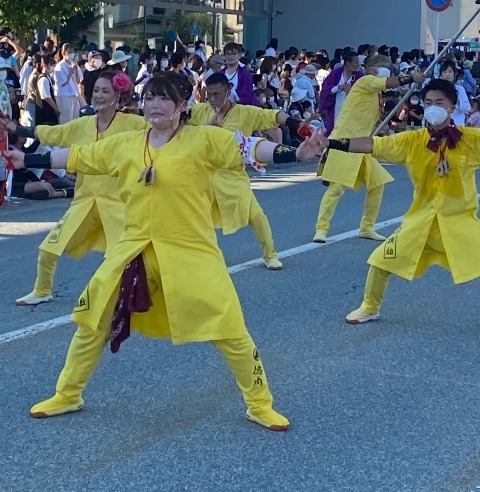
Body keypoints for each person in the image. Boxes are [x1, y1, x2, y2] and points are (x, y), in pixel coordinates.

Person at [4, 72, 324, 427]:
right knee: (92, 321)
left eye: (164, 98)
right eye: (150, 98)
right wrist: (26, 161)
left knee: (231, 329)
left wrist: (295, 153)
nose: (155, 105)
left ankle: (259, 403)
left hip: (191, 251)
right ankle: (68, 394)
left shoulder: (205, 140)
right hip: (131, 250)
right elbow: (80, 156)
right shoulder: (126, 143)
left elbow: (249, 147)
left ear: (182, 106)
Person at [328, 79, 480, 334]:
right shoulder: (412, 141)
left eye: (439, 102)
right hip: (420, 221)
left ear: (452, 107)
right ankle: (370, 306)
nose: (432, 107)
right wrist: (332, 143)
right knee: (380, 262)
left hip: (461, 222)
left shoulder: (470, 139)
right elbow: (374, 145)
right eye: (427, 103)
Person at [2, 69, 147, 306]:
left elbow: (158, 138)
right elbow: (53, 134)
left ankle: (127, 295)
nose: (98, 95)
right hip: (85, 200)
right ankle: (42, 290)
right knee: (49, 248)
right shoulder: (82, 125)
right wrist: (14, 127)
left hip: (118, 201)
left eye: (105, 91)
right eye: (96, 90)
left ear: (117, 96)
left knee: (121, 255)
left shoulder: (134, 124)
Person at [314, 55, 424, 244]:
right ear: (371, 68)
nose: (386, 70)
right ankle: (321, 229)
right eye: (382, 67)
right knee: (336, 189)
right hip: (343, 142)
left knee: (377, 183)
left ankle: (366, 227)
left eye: (387, 67)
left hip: (361, 145)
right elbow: (387, 82)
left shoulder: (374, 93)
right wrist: (411, 78)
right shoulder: (365, 81)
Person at [190, 72, 289, 269]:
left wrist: (293, 121)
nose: (212, 99)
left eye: (217, 94)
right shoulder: (200, 111)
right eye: (209, 94)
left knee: (256, 215)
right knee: (195, 218)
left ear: (228, 91)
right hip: (203, 174)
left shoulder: (245, 112)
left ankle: (270, 255)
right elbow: (180, 124)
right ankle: (203, 258)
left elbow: (270, 115)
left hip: (232, 174)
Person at [319, 50, 363, 133]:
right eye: (355, 62)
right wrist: (339, 87)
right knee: (334, 129)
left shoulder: (359, 75)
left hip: (352, 109)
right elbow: (326, 90)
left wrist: (352, 91)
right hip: (336, 107)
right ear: (347, 63)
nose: (358, 64)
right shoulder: (336, 73)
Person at [54, 43, 84, 124]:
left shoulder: (74, 64)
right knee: (66, 119)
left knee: (75, 119)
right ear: (63, 53)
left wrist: (76, 69)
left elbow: (78, 81)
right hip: (64, 95)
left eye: (72, 52)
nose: (71, 54)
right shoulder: (60, 66)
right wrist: (71, 72)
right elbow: (63, 82)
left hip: (74, 94)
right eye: (69, 52)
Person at [438, 61, 471, 126]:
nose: (447, 74)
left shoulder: (459, 89)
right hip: (440, 124)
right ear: (441, 75)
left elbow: (466, 108)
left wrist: (456, 102)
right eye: (445, 72)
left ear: (454, 74)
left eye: (450, 72)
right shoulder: (436, 90)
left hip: (457, 124)